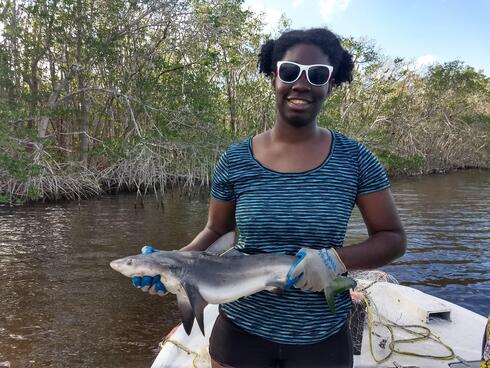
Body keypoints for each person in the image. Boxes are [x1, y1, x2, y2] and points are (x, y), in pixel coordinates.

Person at [133, 27, 406, 368]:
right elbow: (217, 231)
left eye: (317, 75)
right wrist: (169, 264)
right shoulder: (235, 160)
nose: (301, 85)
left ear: (330, 85)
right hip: (241, 334)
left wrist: (335, 260)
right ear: (274, 78)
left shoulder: (356, 159)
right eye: (290, 72)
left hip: (320, 338)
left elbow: (392, 238)